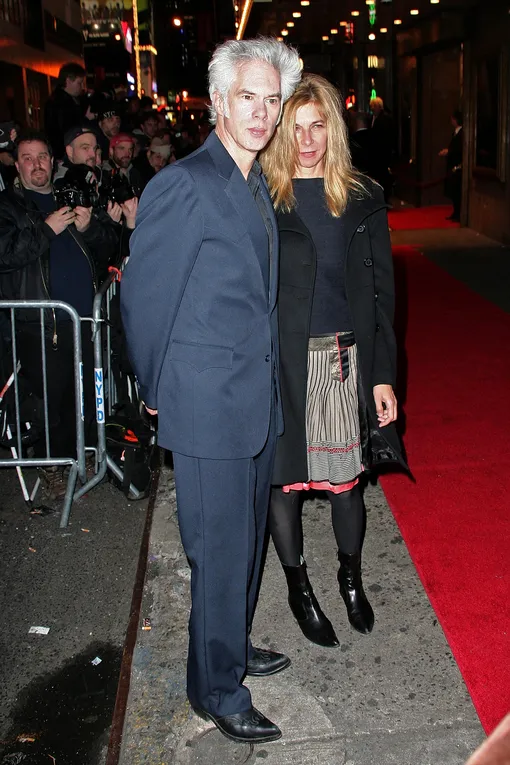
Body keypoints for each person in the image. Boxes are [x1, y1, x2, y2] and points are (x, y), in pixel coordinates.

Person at [121, 37, 301, 744]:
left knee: (245, 542)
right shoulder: (187, 182)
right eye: (246, 98)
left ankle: (227, 639)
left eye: (270, 100)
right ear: (219, 102)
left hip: (249, 402)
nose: (260, 112)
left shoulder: (255, 179)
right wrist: (158, 388)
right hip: (206, 404)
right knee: (220, 548)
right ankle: (216, 687)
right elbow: (144, 298)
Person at [260, 74, 406, 648]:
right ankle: (299, 587)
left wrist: (384, 376)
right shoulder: (264, 198)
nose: (308, 139)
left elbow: (382, 295)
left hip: (344, 360)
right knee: (284, 483)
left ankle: (350, 577)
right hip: (282, 361)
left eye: (318, 125)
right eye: (295, 128)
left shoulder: (363, 196)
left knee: (348, 484)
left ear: (334, 129)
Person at [0, 131, 118, 498]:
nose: (36, 163)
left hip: (84, 319)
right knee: (49, 400)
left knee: (81, 396)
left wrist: (91, 227)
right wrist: (45, 229)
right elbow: (5, 253)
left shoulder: (72, 195)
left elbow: (110, 248)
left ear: (53, 161)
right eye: (27, 158)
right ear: (17, 166)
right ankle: (52, 465)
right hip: (41, 323)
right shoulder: (9, 206)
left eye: (42, 156)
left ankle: (82, 454)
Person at [44, 63, 87, 160]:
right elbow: (62, 131)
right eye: (79, 83)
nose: (81, 87)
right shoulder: (60, 103)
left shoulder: (67, 100)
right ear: (68, 81)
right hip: (65, 154)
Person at [369, 96, 394, 202]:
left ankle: (385, 199)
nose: (372, 109)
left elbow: (385, 138)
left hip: (383, 154)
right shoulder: (375, 118)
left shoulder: (384, 119)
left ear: (379, 107)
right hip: (378, 154)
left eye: (373, 107)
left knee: (383, 178)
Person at [102, 133, 143, 198]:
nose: (127, 153)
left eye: (130, 149)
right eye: (122, 148)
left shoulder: (135, 172)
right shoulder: (104, 175)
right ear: (111, 151)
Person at [439, 110, 463, 222]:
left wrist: (449, 151)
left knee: (457, 191)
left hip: (457, 166)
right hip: (453, 164)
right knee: (453, 191)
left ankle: (458, 213)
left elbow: (459, 149)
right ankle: (456, 212)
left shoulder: (462, 133)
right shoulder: (455, 133)